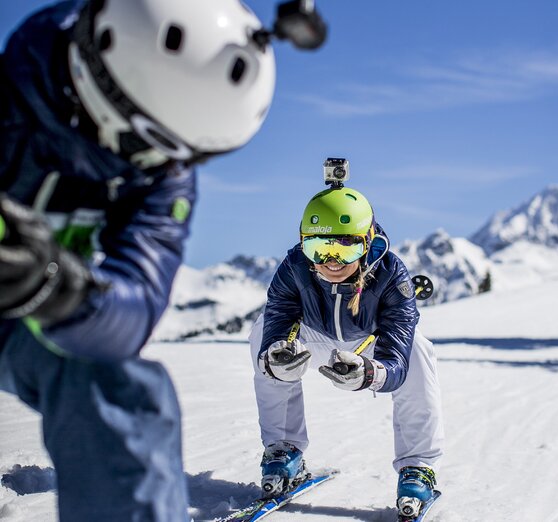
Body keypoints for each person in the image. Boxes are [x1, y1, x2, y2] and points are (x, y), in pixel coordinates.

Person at [0, 1, 325, 521]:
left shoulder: (164, 172)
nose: (169, 167)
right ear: (101, 83)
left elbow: (136, 306)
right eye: (154, 144)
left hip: (29, 323)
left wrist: (60, 289)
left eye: (191, 154)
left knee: (124, 393)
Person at [249, 181, 444, 518]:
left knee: (418, 351)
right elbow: (279, 315)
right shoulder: (294, 268)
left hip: (367, 348)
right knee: (260, 333)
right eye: (318, 250)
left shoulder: (391, 274)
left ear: (367, 244)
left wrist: (372, 373)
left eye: (345, 250)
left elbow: (397, 355)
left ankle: (417, 467)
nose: (331, 262)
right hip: (316, 340)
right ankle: (284, 449)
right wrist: (275, 356)